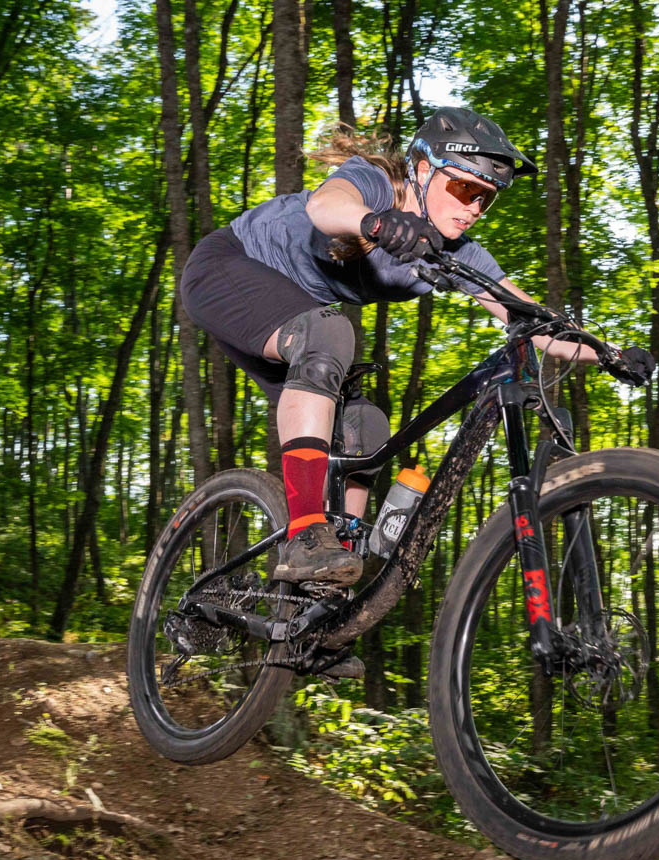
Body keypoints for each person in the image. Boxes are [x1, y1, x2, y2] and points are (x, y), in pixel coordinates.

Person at [180, 107, 632, 592]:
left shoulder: (459, 254)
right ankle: (306, 533)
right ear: (423, 170)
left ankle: (329, 589)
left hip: (290, 316)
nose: (474, 206)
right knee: (331, 333)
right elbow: (325, 207)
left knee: (366, 429)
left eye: (486, 198)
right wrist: (374, 223)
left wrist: (608, 353)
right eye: (464, 188)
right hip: (226, 269)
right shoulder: (378, 183)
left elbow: (532, 320)